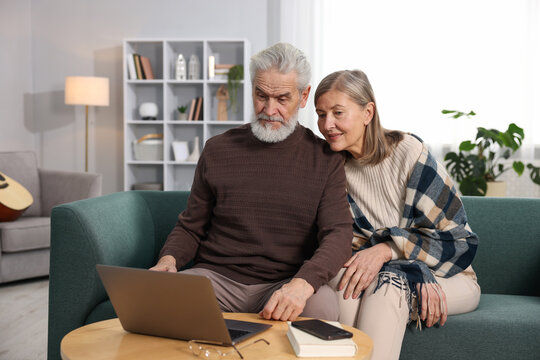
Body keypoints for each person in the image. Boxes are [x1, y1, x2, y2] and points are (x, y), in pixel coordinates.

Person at [150, 43, 353, 322]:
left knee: (321, 310)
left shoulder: (325, 159)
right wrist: (168, 261)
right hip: (216, 279)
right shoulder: (217, 149)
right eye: (261, 96)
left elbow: (338, 235)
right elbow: (191, 225)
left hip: (286, 282)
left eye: (282, 98)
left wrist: (302, 284)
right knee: (159, 302)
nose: (269, 109)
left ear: (303, 96)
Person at [314, 69, 481, 360]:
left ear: (368, 112)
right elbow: (347, 247)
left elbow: (458, 241)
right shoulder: (333, 170)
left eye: (338, 113)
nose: (327, 125)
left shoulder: (409, 152)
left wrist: (388, 250)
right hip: (381, 272)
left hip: (447, 275)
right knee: (345, 289)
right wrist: (389, 257)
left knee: (388, 287)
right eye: (320, 114)